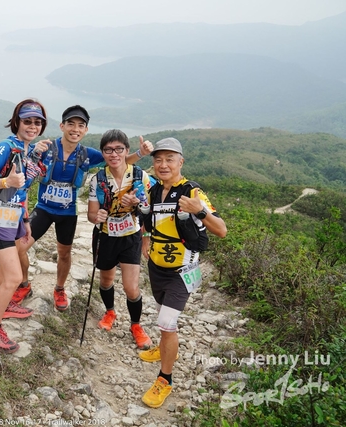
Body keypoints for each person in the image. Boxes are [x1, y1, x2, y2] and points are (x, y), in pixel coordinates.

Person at [14, 105, 154, 312]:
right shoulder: (46, 148)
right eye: (71, 124)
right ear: (62, 126)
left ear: (86, 130)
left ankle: (59, 288)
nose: (75, 129)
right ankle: (24, 284)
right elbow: (22, 165)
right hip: (43, 208)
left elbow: (117, 160)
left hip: (68, 213)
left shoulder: (87, 155)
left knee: (64, 253)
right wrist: (33, 153)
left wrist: (140, 153)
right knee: (19, 247)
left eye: (81, 125)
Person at [139, 137, 227, 408]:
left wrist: (200, 211)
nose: (163, 165)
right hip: (156, 267)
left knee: (167, 323)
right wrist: (145, 240)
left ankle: (165, 379)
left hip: (181, 270)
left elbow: (221, 230)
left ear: (181, 162)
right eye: (158, 160)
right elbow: (149, 221)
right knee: (162, 316)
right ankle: (166, 348)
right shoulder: (155, 191)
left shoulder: (192, 192)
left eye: (169, 159)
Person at [0, 99, 48, 354]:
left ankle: (5, 305)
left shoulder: (25, 151)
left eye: (37, 122)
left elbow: (22, 190)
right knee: (15, 277)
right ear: (17, 122)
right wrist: (6, 181)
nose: (32, 126)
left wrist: (25, 221)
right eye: (27, 121)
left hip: (13, 217)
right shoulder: (5, 147)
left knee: (7, 272)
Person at [86, 129, 153, 349]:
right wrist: (98, 216)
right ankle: (110, 312)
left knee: (131, 288)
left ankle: (136, 325)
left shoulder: (140, 176)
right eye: (108, 150)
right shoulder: (98, 179)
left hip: (130, 236)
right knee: (106, 280)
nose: (114, 154)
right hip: (105, 236)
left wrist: (137, 204)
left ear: (126, 150)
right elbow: (91, 215)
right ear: (103, 153)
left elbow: (149, 209)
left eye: (118, 149)